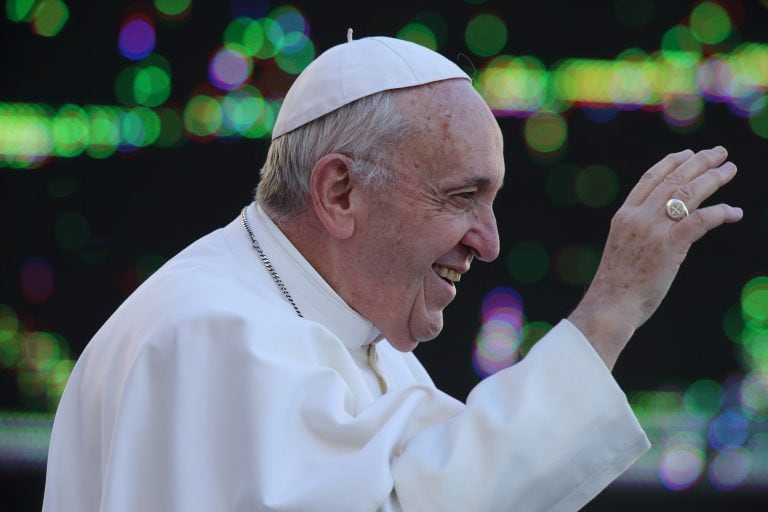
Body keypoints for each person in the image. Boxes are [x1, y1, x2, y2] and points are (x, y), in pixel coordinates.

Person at [42, 35, 742, 511]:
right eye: (461, 197)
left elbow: (449, 484)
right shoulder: (214, 333)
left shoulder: (354, 334)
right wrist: (609, 311)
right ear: (340, 193)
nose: (489, 241)